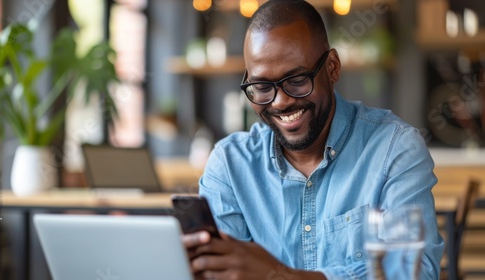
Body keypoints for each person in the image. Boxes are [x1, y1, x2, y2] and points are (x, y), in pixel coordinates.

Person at [182, 0, 445, 279]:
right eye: (261, 87)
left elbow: (416, 272)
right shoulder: (230, 165)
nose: (281, 102)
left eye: (296, 80)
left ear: (332, 68)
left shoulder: (395, 148)